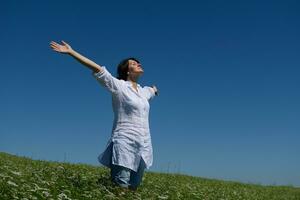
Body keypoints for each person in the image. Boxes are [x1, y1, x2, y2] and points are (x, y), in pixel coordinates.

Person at [50, 40, 158, 191]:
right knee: (121, 187)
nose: (138, 64)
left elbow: (152, 91)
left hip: (144, 145)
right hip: (124, 141)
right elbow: (97, 68)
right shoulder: (119, 86)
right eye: (133, 63)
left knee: (134, 188)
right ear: (127, 70)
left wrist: (154, 90)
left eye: (138, 62)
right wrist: (71, 52)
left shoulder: (143, 91)